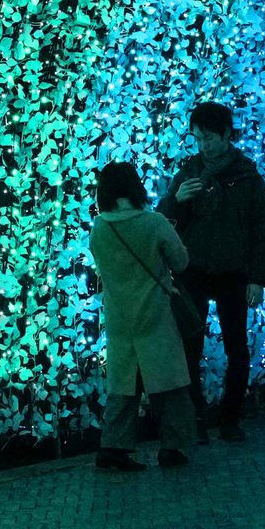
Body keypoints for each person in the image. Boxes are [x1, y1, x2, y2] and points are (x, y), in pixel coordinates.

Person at [158, 101, 265, 440]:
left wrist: (257, 279)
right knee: (190, 346)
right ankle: (195, 418)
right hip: (193, 269)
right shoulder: (189, 172)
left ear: (226, 135)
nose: (202, 145)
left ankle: (230, 418)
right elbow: (163, 223)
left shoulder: (247, 176)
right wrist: (178, 199)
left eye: (208, 137)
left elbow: (263, 230)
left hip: (232, 272)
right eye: (197, 138)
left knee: (237, 346)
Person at [86, 163, 194, 471]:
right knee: (169, 385)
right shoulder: (154, 222)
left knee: (124, 386)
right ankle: (172, 447)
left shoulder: (100, 228)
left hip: (120, 317)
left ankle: (113, 448)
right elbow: (180, 261)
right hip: (155, 314)